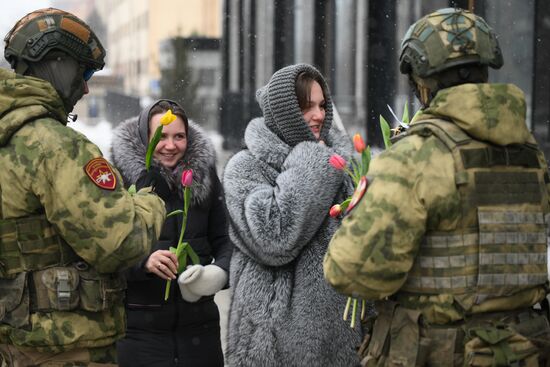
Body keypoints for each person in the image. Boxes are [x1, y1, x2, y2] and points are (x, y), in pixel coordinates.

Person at [324, 8, 550, 366]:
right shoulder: (530, 156)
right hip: (524, 351)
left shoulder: (416, 157)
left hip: (438, 352)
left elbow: (349, 271)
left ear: (422, 82)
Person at [0, 8, 166, 367]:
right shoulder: (54, 145)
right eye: (84, 71)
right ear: (57, 65)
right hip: (63, 348)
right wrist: (148, 202)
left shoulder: (7, 136)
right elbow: (121, 243)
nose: (87, 86)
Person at [223, 63, 363, 366]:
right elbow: (275, 237)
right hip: (275, 347)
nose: (319, 115)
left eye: (322, 105)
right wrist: (314, 161)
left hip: (343, 342)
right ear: (284, 112)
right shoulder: (246, 168)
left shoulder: (344, 164)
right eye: (306, 106)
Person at [111, 99, 232, 367]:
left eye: (179, 136)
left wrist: (218, 273)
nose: (170, 145)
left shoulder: (204, 179)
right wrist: (144, 262)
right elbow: (103, 251)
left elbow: (227, 241)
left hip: (200, 332)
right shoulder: (120, 184)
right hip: (139, 335)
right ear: (145, 138)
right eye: (161, 136)